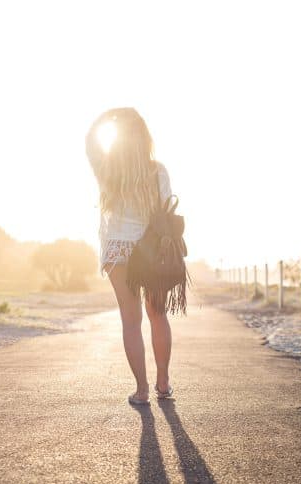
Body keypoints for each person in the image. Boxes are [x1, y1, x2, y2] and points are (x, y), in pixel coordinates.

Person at [86, 107, 175, 406]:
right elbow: (164, 211)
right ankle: (163, 381)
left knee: (131, 320)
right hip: (150, 251)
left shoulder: (107, 168)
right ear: (144, 137)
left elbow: (89, 141)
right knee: (158, 315)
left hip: (117, 250)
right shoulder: (157, 170)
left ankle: (142, 389)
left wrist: (105, 117)